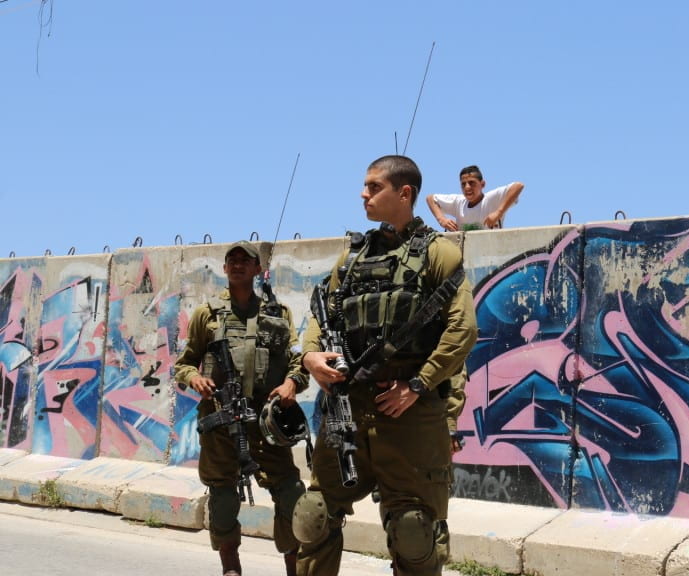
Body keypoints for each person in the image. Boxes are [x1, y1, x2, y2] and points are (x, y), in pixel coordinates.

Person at [293, 155, 477, 576]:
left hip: (409, 415)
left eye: (374, 186)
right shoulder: (352, 258)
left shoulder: (438, 254)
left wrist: (417, 384)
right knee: (313, 515)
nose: (363, 194)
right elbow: (321, 316)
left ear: (404, 193)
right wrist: (311, 357)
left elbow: (462, 330)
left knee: (413, 532)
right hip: (347, 414)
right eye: (365, 186)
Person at [174, 240, 309, 576]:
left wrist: (292, 383)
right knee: (222, 499)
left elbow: (298, 362)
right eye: (231, 260)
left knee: (292, 494)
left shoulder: (278, 314)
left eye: (245, 261)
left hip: (266, 425)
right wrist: (195, 379)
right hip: (221, 425)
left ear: (257, 269)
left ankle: (294, 566)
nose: (237, 265)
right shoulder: (206, 315)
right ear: (224, 269)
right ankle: (231, 569)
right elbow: (184, 364)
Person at [425, 165, 524, 231]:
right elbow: (430, 198)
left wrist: (499, 212)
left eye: (471, 183)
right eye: (463, 184)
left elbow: (518, 186)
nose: (467, 187)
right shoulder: (458, 202)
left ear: (483, 184)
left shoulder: (491, 199)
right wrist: (441, 219)